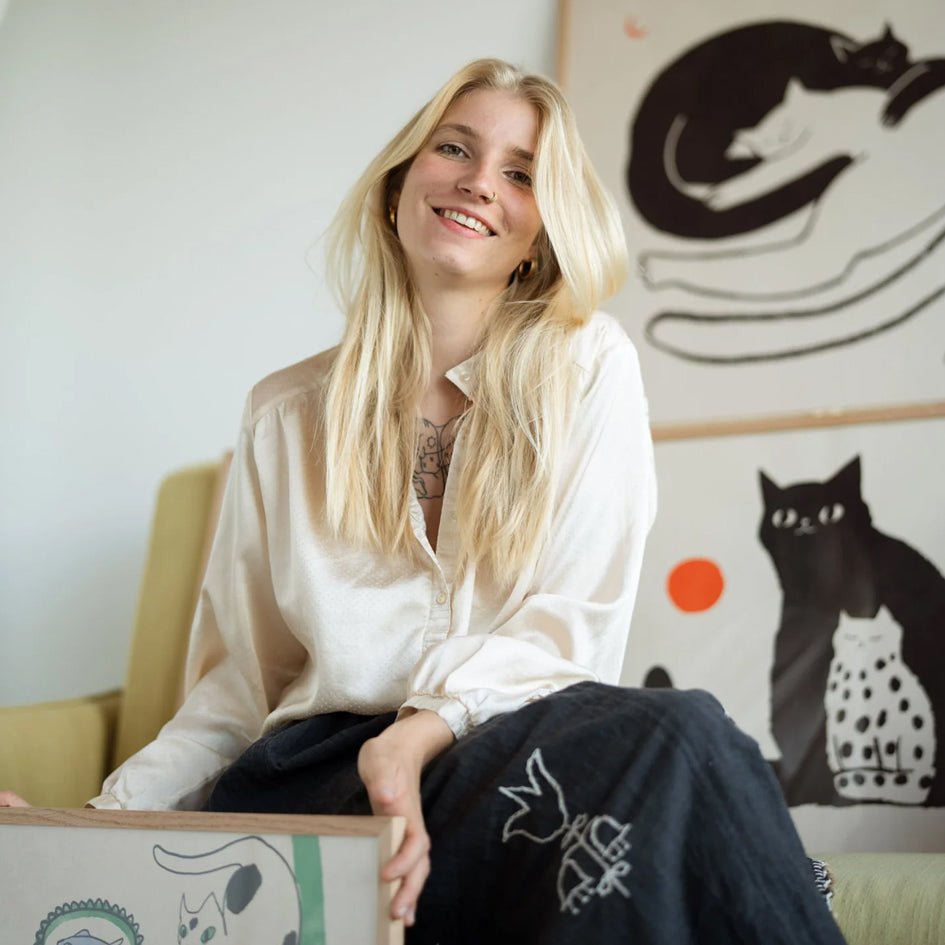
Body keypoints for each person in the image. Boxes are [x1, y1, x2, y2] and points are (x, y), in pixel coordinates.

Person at [1, 59, 846, 944]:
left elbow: (573, 626)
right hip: (319, 779)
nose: (480, 182)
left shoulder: (589, 366)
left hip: (516, 752)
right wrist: (92, 826)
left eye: (520, 173)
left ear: (540, 234)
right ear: (396, 186)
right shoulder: (282, 413)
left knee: (678, 737)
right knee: (679, 758)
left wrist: (412, 737)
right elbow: (237, 690)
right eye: (454, 148)